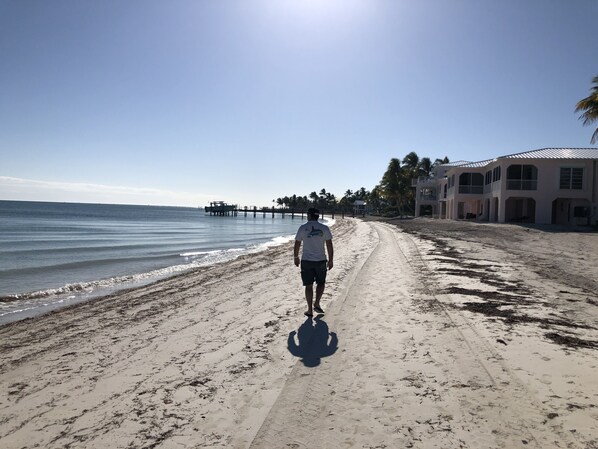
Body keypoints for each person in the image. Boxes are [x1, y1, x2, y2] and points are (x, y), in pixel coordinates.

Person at [293, 208, 333, 317]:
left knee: (308, 285)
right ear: (317, 216)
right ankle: (317, 303)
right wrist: (331, 260)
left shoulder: (303, 228)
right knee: (321, 283)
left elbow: (297, 244)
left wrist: (296, 257)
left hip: (307, 261)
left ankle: (310, 309)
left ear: (309, 215)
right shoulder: (324, 228)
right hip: (320, 260)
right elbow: (329, 245)